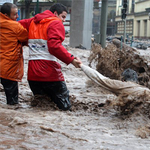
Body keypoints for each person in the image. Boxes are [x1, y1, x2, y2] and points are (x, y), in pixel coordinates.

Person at [19, 3, 82, 111]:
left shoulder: (32, 22)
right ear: (55, 13)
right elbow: (54, 46)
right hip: (50, 73)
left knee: (39, 108)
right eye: (62, 17)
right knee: (65, 109)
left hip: (32, 75)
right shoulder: (55, 23)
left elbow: (14, 26)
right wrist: (71, 59)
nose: (63, 20)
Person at [0, 3, 28, 105]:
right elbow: (25, 37)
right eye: (15, 14)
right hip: (8, 67)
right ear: (6, 15)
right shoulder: (15, 26)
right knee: (12, 102)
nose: (18, 17)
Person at [80, 64, 150, 96]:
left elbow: (99, 78)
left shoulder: (123, 86)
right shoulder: (143, 88)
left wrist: (81, 65)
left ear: (123, 80)